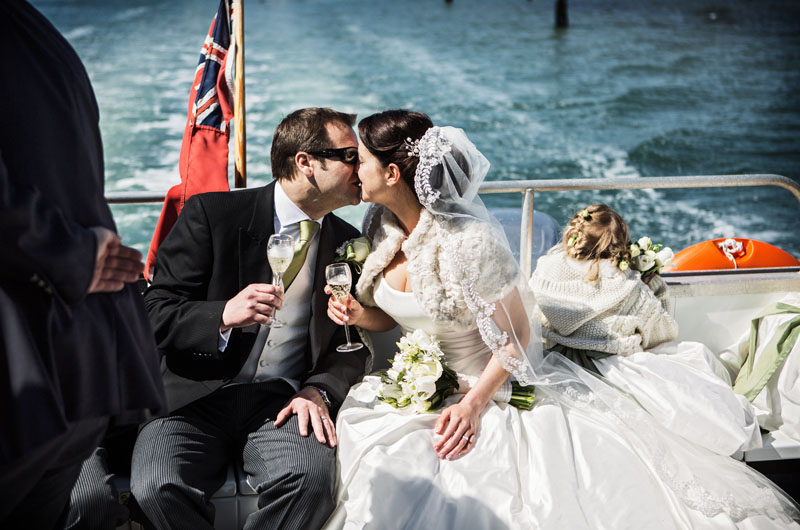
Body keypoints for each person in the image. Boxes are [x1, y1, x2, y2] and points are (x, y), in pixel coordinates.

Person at [322, 109, 800, 529]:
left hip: (485, 389)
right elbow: (396, 316)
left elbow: (516, 337)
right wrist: (360, 314)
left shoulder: (469, 244)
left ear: (390, 173)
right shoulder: (378, 229)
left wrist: (471, 407)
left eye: (357, 159)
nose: (351, 168)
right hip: (415, 389)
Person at [131, 107, 370, 530]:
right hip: (191, 400)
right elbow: (151, 313)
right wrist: (221, 315)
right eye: (350, 155)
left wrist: (319, 389)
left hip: (283, 400)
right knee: (156, 486)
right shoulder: (212, 215)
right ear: (305, 163)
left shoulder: (348, 244)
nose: (361, 165)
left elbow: (347, 342)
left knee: (310, 483)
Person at [0, 1, 166, 528]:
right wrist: (69, 251)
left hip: (43, 369)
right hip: (66, 363)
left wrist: (68, 251)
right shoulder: (36, 33)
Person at [530, 204, 762, 456]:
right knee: (697, 355)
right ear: (620, 247)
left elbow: (533, 313)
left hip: (554, 360)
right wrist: (652, 289)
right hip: (610, 369)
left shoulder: (546, 270)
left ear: (573, 235)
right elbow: (662, 334)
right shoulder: (629, 287)